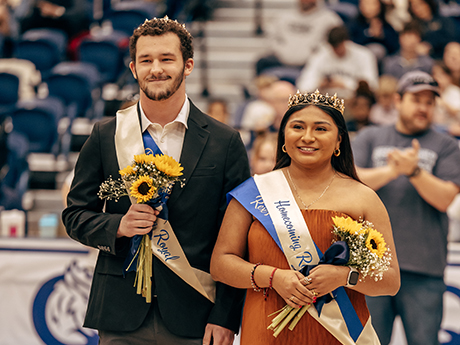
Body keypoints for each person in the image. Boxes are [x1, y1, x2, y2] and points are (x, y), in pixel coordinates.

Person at [62, 17, 250, 345]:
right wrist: (119, 226)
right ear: (133, 68)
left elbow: (238, 236)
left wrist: (226, 316)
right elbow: (75, 215)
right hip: (120, 314)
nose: (156, 69)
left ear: (187, 65)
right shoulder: (106, 135)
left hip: (196, 312)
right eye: (146, 60)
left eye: (166, 59)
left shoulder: (225, 141)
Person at [210, 89, 400, 344]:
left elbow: (390, 281)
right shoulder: (255, 191)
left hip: (338, 334)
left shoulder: (363, 198)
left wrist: (344, 276)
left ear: (339, 141)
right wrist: (272, 277)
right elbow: (221, 265)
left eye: (321, 129)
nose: (307, 137)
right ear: (284, 138)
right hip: (265, 330)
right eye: (297, 127)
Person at [351, 70, 460, 345]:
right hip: (371, 268)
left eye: (429, 101)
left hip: (424, 271)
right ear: (398, 100)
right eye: (416, 99)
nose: (423, 107)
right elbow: (351, 183)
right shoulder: (370, 136)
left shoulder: (447, 145)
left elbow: (445, 198)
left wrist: (414, 172)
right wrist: (391, 171)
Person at [255, 0, 342, 80]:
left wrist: (316, 52)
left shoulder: (329, 18)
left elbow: (337, 40)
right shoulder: (283, 16)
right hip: (281, 60)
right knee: (261, 62)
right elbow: (270, 38)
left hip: (309, 64)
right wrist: (280, 50)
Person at [296, 25, 379, 100]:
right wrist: (319, 83)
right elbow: (302, 86)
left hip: (352, 102)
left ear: (346, 42)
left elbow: (371, 85)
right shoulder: (319, 55)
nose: (336, 50)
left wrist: (344, 84)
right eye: (333, 47)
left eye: (339, 46)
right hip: (325, 101)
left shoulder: (364, 55)